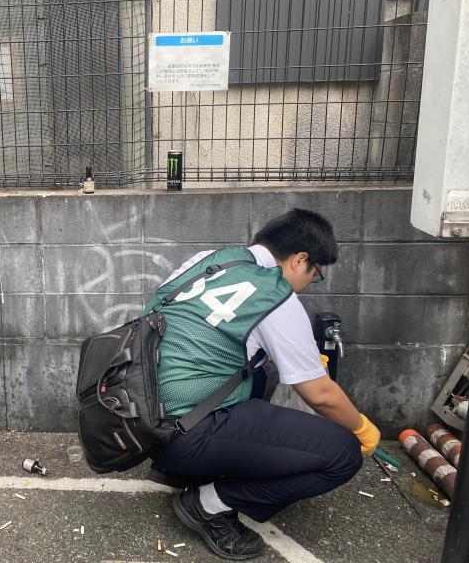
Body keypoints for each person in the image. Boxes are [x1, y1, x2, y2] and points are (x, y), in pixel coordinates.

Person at [143, 208, 380, 560]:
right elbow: (321, 394)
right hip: (187, 433)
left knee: (261, 370)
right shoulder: (275, 295)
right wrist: (362, 428)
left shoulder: (209, 260)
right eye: (316, 274)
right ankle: (208, 503)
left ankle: (175, 470)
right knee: (343, 456)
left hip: (144, 420)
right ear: (300, 260)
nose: (309, 282)